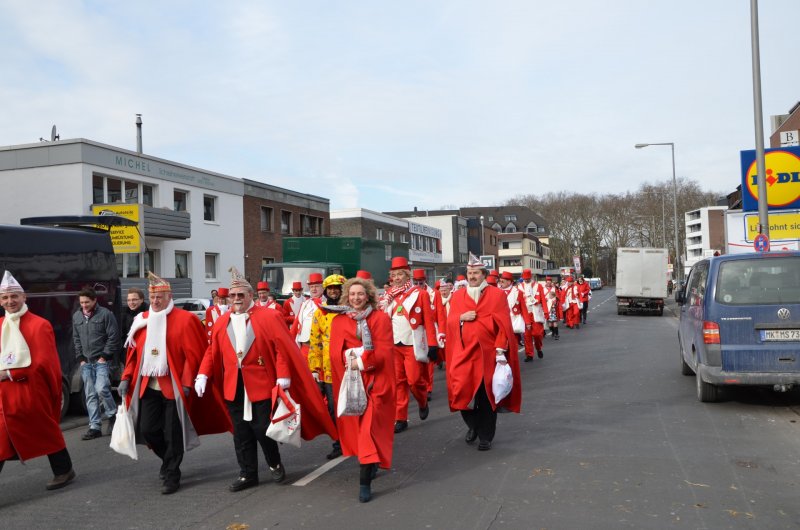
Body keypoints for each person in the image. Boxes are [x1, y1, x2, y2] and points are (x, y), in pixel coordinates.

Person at [195, 267, 337, 492]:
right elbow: (212, 352)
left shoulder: (270, 316)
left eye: (241, 295)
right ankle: (247, 473)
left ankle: (274, 463)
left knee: (262, 428)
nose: (236, 299)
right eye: (233, 296)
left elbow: (282, 347)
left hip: (261, 383)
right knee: (241, 433)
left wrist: (283, 375)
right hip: (233, 385)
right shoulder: (222, 321)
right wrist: (203, 373)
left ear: (250, 295)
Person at [119, 272, 232, 494]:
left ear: (169, 297)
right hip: (148, 385)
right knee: (148, 429)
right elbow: (135, 355)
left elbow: (194, 355)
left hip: (174, 387)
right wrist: (125, 378)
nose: (155, 302)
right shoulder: (141, 321)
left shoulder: (186, 319)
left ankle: (172, 474)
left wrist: (188, 381)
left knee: (172, 433)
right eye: (152, 298)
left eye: (160, 297)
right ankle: (167, 461)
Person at [0, 271, 76, 490]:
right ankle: (64, 469)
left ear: (24, 298)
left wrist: (10, 373)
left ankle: (64, 470)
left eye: (14, 296)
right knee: (4, 436)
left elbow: (43, 362)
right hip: (5, 395)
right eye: (5, 298)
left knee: (45, 429)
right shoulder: (0, 324)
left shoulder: (40, 325)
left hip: (31, 391)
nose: (10, 301)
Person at [445, 254, 521, 451]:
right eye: (469, 273)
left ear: (484, 275)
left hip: (489, 355)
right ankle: (474, 426)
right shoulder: (458, 296)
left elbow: (504, 326)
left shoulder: (496, 295)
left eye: (476, 273)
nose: (472, 276)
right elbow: (450, 322)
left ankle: (485, 436)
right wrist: (461, 317)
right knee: (461, 393)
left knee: (486, 398)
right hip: (464, 354)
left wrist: (500, 350)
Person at [329, 277, 395, 503]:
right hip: (351, 381)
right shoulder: (338, 321)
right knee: (359, 431)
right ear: (347, 296)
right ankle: (371, 461)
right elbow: (334, 352)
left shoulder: (380, 318)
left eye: (361, 294)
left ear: (368, 296)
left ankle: (364, 482)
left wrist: (362, 360)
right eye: (352, 294)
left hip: (375, 381)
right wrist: (349, 357)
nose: (356, 298)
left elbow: (384, 352)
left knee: (368, 430)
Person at [381, 257, 438, 434]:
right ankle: (400, 418)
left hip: (412, 343)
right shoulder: (388, 296)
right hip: (394, 344)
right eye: (394, 275)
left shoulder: (419, 294)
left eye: (400, 274)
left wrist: (433, 344)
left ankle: (422, 401)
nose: (397, 278)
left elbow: (428, 320)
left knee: (414, 380)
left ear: (407, 275)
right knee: (398, 382)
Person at [308, 274, 347, 459]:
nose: (333, 291)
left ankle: (353, 439)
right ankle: (338, 442)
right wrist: (314, 369)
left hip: (349, 366)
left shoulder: (350, 311)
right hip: (328, 368)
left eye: (337, 288)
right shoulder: (319, 313)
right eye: (330, 288)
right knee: (332, 408)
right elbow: (314, 343)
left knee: (351, 405)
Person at [73, 286, 120, 439]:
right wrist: (80, 358)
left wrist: (104, 356)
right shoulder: (77, 317)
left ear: (94, 300)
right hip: (86, 362)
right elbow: (76, 339)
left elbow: (114, 337)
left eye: (87, 302)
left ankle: (113, 416)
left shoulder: (106, 314)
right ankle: (95, 427)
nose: (84, 305)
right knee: (90, 395)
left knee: (102, 389)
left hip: (102, 361)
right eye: (82, 302)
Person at [411, 269, 446, 399]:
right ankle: (420, 385)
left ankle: (428, 387)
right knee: (417, 359)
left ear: (425, 281)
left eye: (421, 282)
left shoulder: (434, 294)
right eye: (416, 282)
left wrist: (442, 332)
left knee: (429, 360)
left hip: (431, 330)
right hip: (416, 331)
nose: (419, 284)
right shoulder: (410, 294)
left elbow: (440, 314)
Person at [497, 271, 533, 362]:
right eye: (500, 281)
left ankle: (512, 362)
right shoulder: (497, 292)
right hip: (501, 321)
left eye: (503, 281)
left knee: (513, 345)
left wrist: (527, 322)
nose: (500, 283)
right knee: (502, 344)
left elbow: (523, 308)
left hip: (514, 321)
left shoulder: (518, 292)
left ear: (509, 282)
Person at [290, 273, 324, 357]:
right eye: (311, 286)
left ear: (323, 287)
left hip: (320, 349)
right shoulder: (305, 304)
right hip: (305, 347)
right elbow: (296, 324)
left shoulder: (326, 304)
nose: (314, 289)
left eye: (316, 286)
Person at [519, 269, 546, 359]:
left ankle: (538, 348)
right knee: (527, 335)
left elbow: (542, 299)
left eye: (527, 278)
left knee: (537, 334)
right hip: (525, 313)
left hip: (536, 312)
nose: (526, 280)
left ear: (531, 277)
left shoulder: (538, 286)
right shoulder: (519, 287)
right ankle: (529, 354)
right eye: (524, 278)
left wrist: (546, 312)